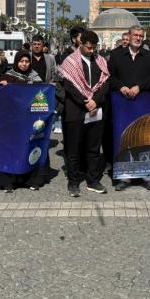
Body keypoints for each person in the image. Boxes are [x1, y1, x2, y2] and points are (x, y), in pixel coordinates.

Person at [108, 25, 150, 192]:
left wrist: (140, 86)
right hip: (122, 105)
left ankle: (147, 176)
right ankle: (124, 177)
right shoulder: (116, 55)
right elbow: (109, 76)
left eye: (140, 36)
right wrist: (121, 86)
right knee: (123, 138)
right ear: (129, 36)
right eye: (135, 35)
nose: (138, 38)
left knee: (145, 139)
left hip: (143, 103)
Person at [58, 30, 110, 197]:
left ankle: (93, 180)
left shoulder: (101, 61)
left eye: (94, 47)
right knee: (73, 149)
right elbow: (69, 85)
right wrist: (85, 101)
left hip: (95, 109)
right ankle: (73, 182)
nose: (92, 51)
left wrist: (95, 100)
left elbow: (105, 83)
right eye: (89, 47)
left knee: (93, 147)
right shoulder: (70, 62)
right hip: (76, 110)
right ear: (80, 44)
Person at [0, 50, 45, 192]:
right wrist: (2, 86)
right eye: (21, 61)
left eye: (27, 61)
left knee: (29, 148)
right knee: (10, 149)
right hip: (11, 121)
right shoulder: (7, 76)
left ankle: (30, 180)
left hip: (29, 120)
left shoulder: (35, 77)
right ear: (16, 62)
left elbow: (41, 94)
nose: (24, 64)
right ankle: (8, 182)